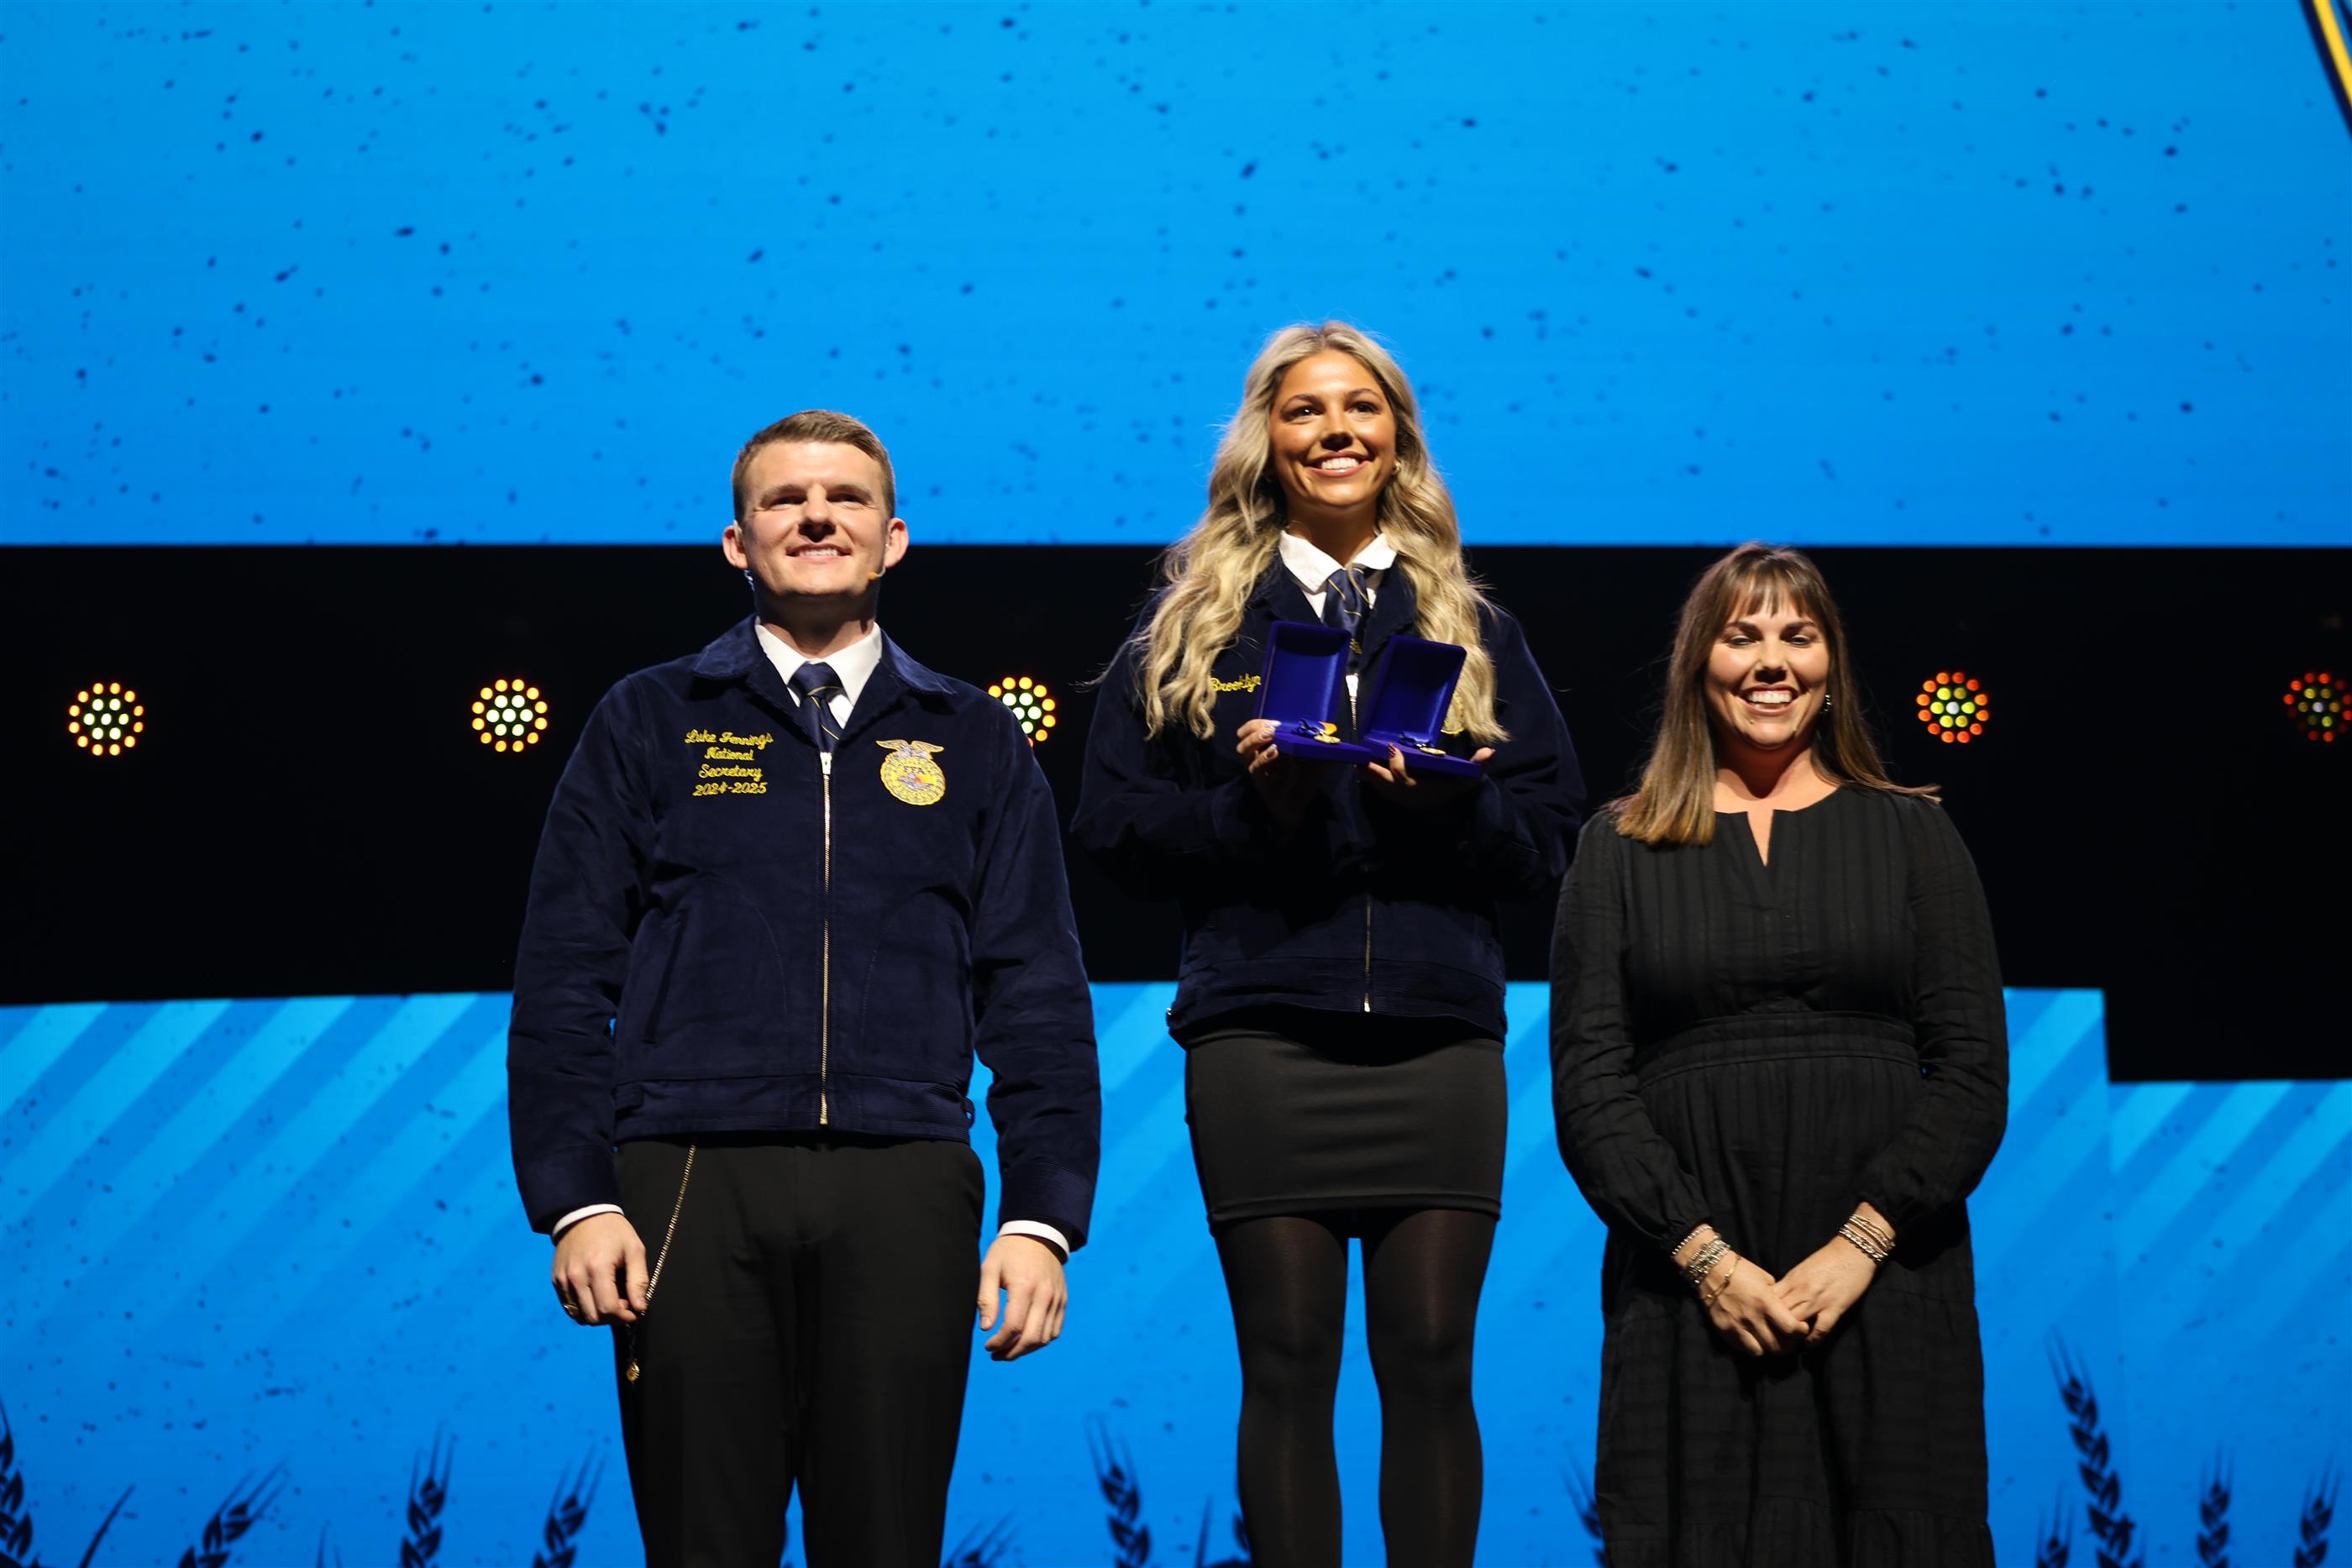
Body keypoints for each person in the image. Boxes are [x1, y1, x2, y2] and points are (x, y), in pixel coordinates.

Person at [506, 409, 1101, 1568]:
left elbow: (1035, 988)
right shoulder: (648, 718)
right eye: (786, 499)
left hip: (905, 1177)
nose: (817, 517)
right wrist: (577, 1198)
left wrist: (1042, 1218)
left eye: (846, 498)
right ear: (737, 542)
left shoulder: (973, 735)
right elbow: (564, 975)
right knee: (703, 1541)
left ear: (893, 539)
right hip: (686, 1175)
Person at [1074, 322, 1584, 1568]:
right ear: (1267, 440)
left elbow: (1553, 839)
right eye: (1305, 409)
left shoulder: (1477, 625)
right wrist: (1254, 811)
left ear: (1397, 437)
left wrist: (1454, 809)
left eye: (1362, 407)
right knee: (1287, 1361)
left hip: (1437, 1036)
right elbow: (1112, 832)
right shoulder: (1189, 626)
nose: (1336, 430)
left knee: (1433, 1359)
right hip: (1261, 1034)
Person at [1549, 542, 2006, 1564]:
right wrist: (1705, 1260)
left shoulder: (1914, 834)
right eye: (1740, 636)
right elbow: (1588, 1084)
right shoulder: (1616, 849)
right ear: (1696, 666)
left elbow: (1973, 1071)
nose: (1771, 661)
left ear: (1829, 665)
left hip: (1888, 1278)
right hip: (1690, 1290)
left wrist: (1863, 1242)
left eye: (1797, 636)